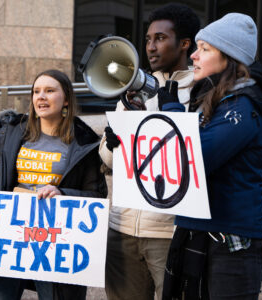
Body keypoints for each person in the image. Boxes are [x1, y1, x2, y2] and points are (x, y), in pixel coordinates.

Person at [159, 13, 262, 300]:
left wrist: (172, 113)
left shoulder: (242, 107)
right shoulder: (215, 100)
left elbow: (195, 158)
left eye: (204, 49)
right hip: (199, 233)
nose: (193, 56)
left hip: (229, 244)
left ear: (229, 57)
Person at [99, 3, 200, 300]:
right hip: (123, 229)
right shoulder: (134, 88)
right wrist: (113, 144)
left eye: (160, 38)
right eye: (147, 39)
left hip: (168, 233)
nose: (151, 47)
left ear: (184, 44)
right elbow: (107, 159)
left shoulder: (202, 89)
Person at [0, 69, 107, 300]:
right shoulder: (14, 132)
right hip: (12, 237)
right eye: (36, 91)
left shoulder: (84, 141)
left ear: (66, 98)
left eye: (50, 91)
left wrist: (62, 192)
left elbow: (96, 196)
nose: (41, 97)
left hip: (56, 243)